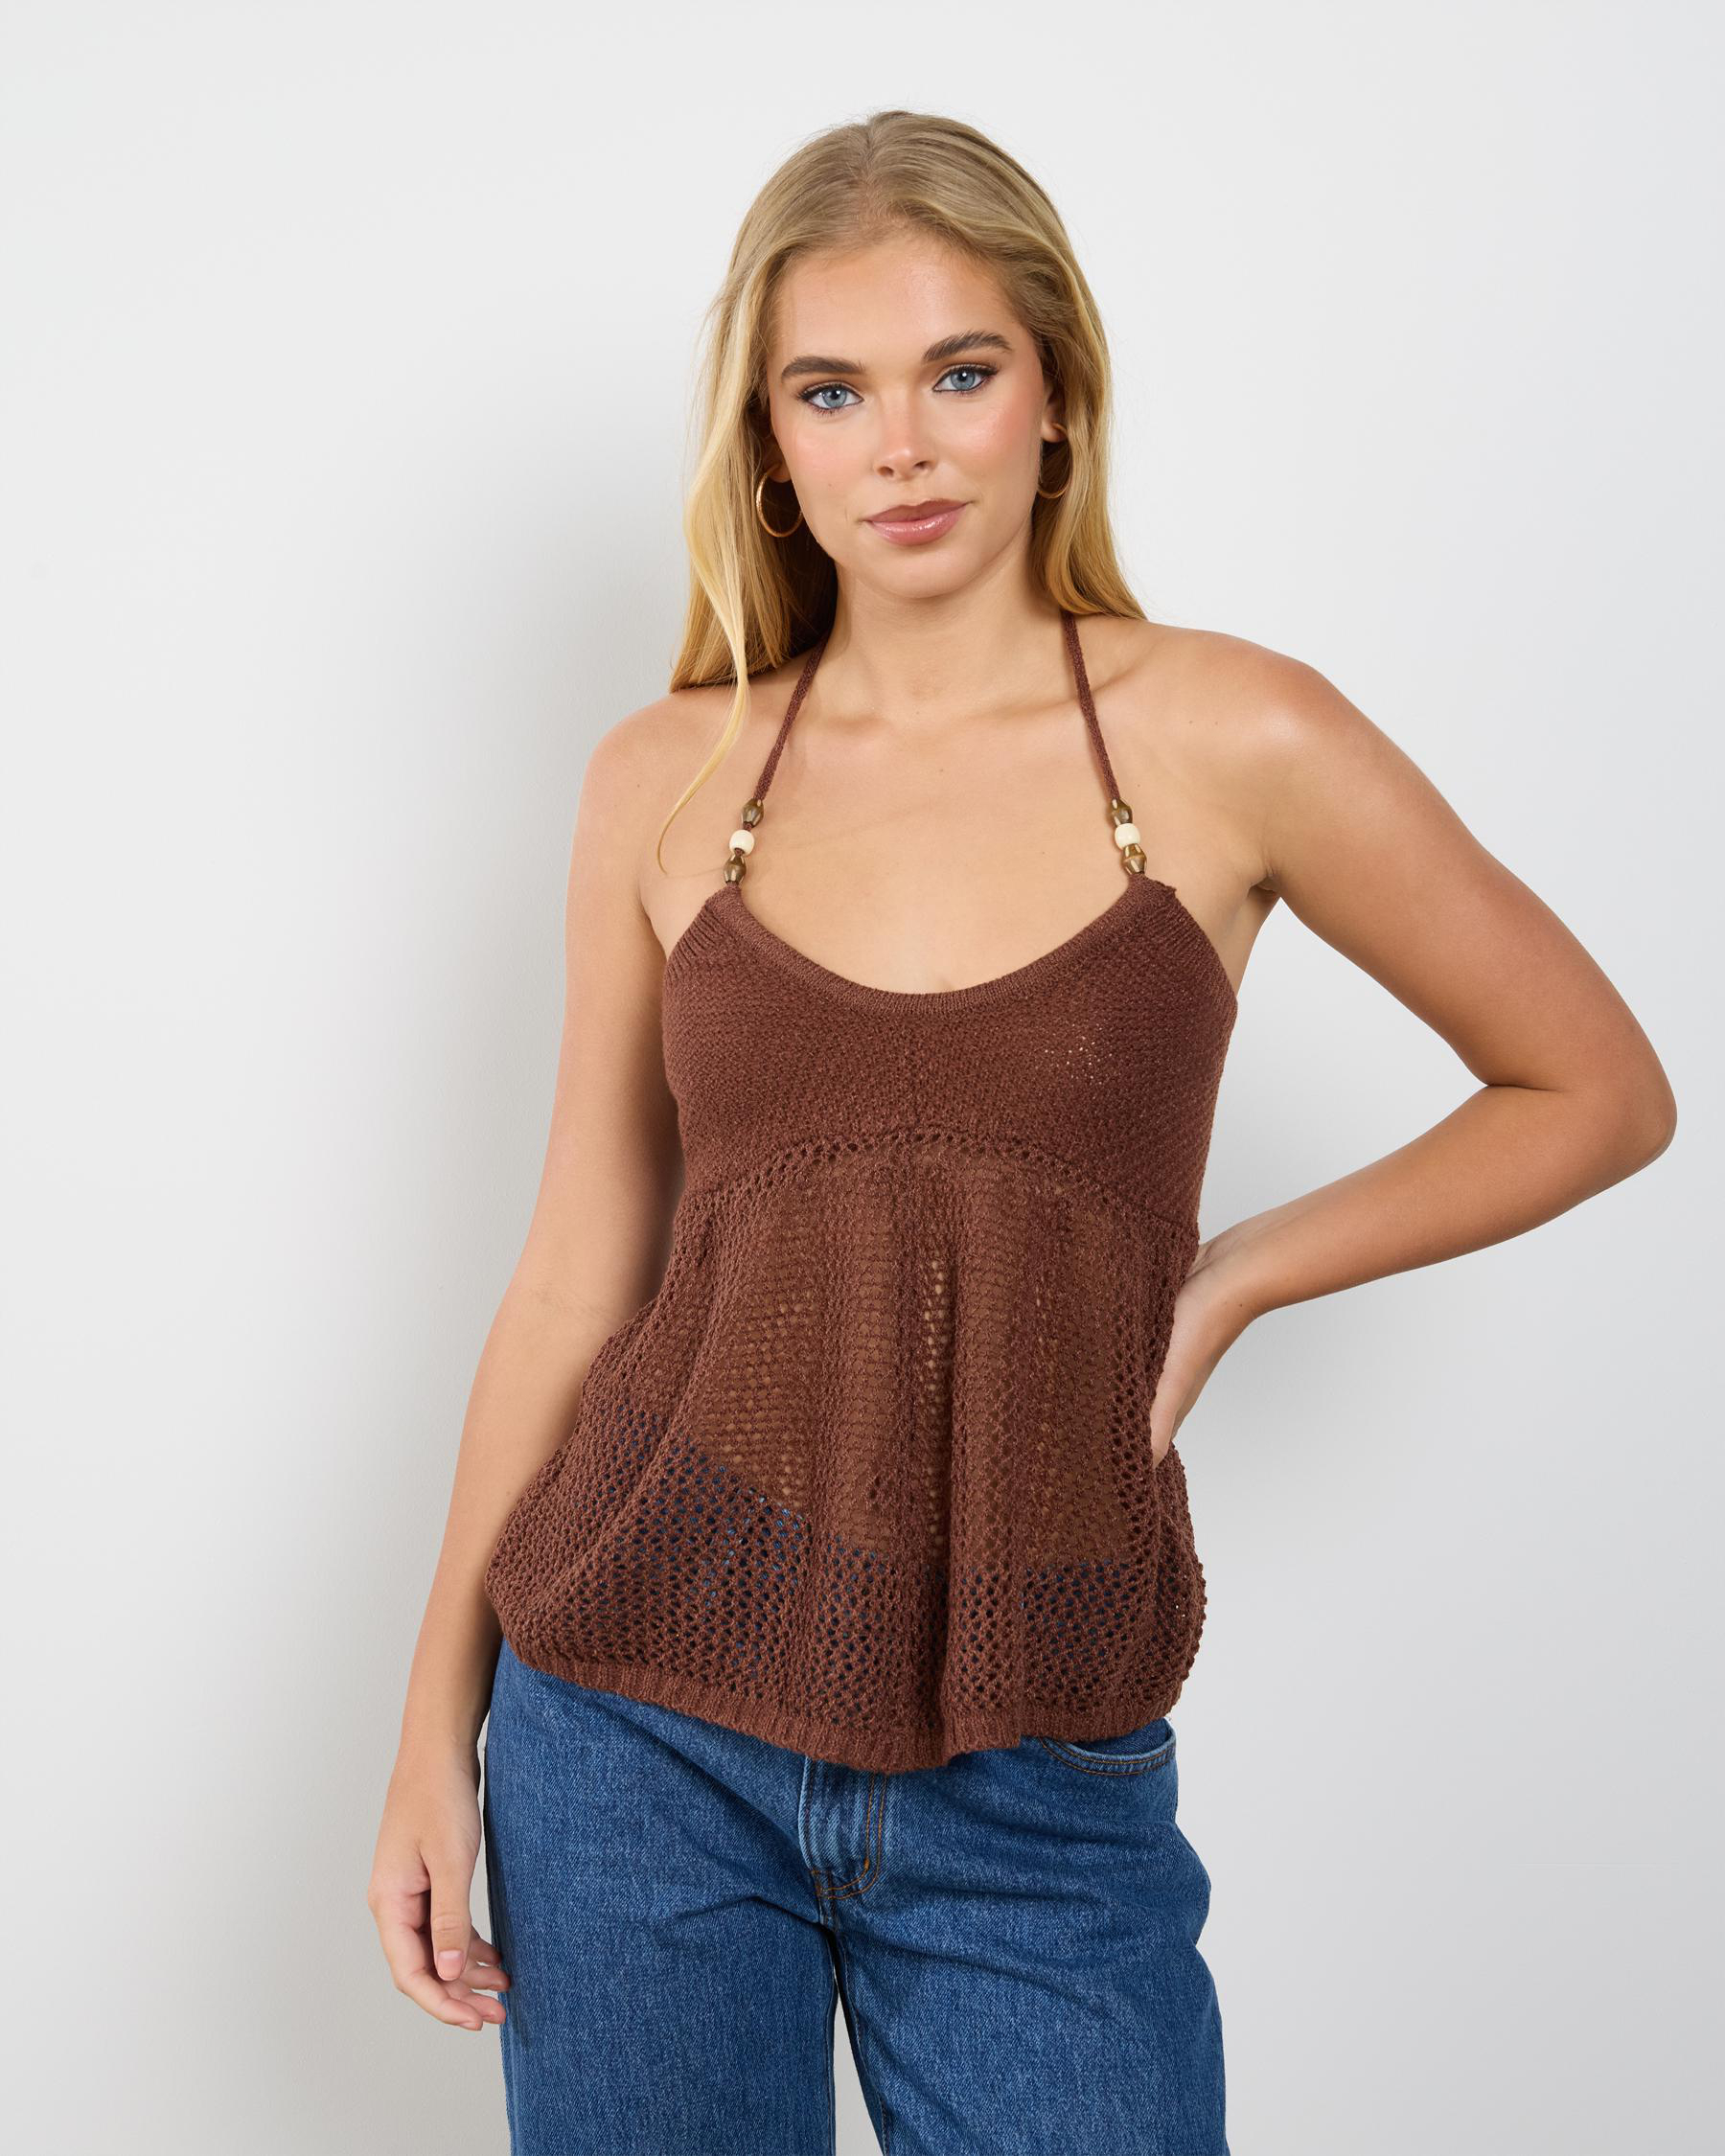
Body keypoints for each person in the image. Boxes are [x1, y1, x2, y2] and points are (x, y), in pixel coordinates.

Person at [367, 109, 1677, 2156]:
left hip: (1036, 1753)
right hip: (633, 1727)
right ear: (769, 444)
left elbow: (1597, 1086)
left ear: (1055, 395)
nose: (901, 447)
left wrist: (1234, 1276)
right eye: (833, 391)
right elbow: (571, 1278)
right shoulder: (668, 775)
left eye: (959, 372)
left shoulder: (1233, 734)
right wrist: (428, 1731)